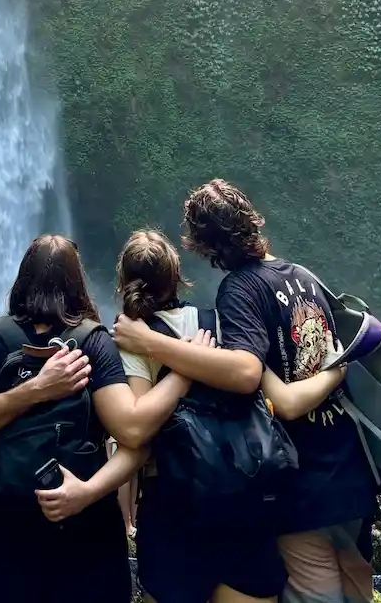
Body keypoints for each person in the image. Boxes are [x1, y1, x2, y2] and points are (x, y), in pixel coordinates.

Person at [0, 235, 189, 603]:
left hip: (8, 535)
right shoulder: (92, 343)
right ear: (77, 283)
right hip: (87, 536)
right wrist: (183, 373)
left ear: (21, 279)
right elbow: (133, 431)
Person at [114, 183, 375, 603]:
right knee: (356, 588)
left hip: (301, 486)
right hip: (351, 478)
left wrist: (152, 345)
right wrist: (338, 371)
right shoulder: (306, 278)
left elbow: (249, 376)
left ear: (203, 245)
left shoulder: (240, 291)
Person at [116, 227, 288, 603]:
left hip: (172, 503)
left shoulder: (133, 342)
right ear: (177, 277)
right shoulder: (219, 321)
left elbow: (138, 434)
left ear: (125, 282)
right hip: (240, 490)